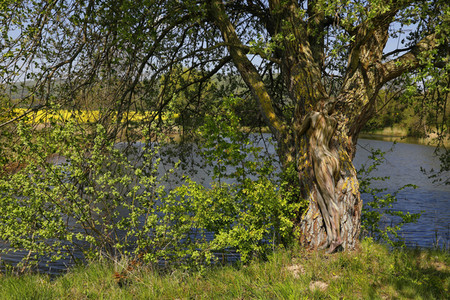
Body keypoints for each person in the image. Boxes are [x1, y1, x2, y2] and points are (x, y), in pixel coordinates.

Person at [299, 101, 342, 253]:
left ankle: (337, 239)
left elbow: (300, 132)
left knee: (330, 200)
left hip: (321, 159)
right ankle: (331, 237)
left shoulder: (313, 116)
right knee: (321, 198)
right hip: (332, 159)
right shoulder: (334, 121)